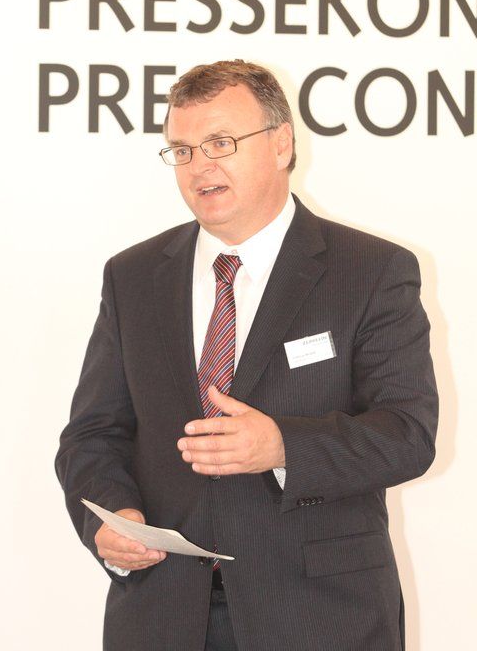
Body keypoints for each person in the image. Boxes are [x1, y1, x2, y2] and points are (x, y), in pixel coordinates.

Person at [55, 59, 438, 651]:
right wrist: (113, 517)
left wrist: (283, 446)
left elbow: (407, 434)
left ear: (281, 144)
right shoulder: (133, 276)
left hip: (320, 618)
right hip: (162, 616)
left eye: (221, 143)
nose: (199, 166)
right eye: (182, 150)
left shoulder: (372, 271)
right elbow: (93, 434)